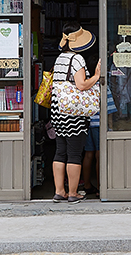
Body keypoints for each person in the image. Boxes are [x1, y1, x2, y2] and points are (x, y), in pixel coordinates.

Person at [49, 22, 101, 204]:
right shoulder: (77, 59)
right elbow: (81, 85)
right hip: (73, 112)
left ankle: (59, 191)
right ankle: (72, 193)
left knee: (60, 151)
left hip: (58, 110)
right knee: (74, 153)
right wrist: (95, 76)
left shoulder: (60, 58)